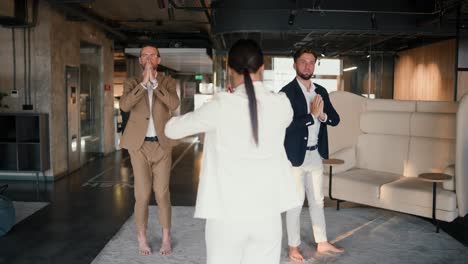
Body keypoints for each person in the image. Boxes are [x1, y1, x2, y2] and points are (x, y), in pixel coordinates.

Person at [165, 39, 300, 264]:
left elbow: (172, 129)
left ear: (228, 70)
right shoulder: (282, 104)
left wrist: (217, 103)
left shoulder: (220, 106)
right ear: (262, 68)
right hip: (267, 215)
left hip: (226, 214)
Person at [281, 47, 344, 262]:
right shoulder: (286, 93)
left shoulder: (321, 91)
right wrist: (311, 116)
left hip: (316, 155)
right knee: (295, 203)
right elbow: (285, 126)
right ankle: (293, 247)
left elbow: (335, 120)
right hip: (295, 158)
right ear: (295, 65)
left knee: (317, 200)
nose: (307, 65)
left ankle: (322, 242)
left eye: (311, 62)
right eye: (303, 61)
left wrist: (322, 115)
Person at [119, 45, 180, 256]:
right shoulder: (132, 82)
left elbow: (174, 103)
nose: (148, 58)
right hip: (139, 146)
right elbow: (125, 106)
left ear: (158, 60)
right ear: (139, 60)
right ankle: (142, 237)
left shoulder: (168, 82)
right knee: (142, 195)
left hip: (162, 144)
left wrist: (155, 84)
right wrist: (144, 85)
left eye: (152, 55)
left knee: (162, 194)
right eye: (144, 55)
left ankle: (166, 238)